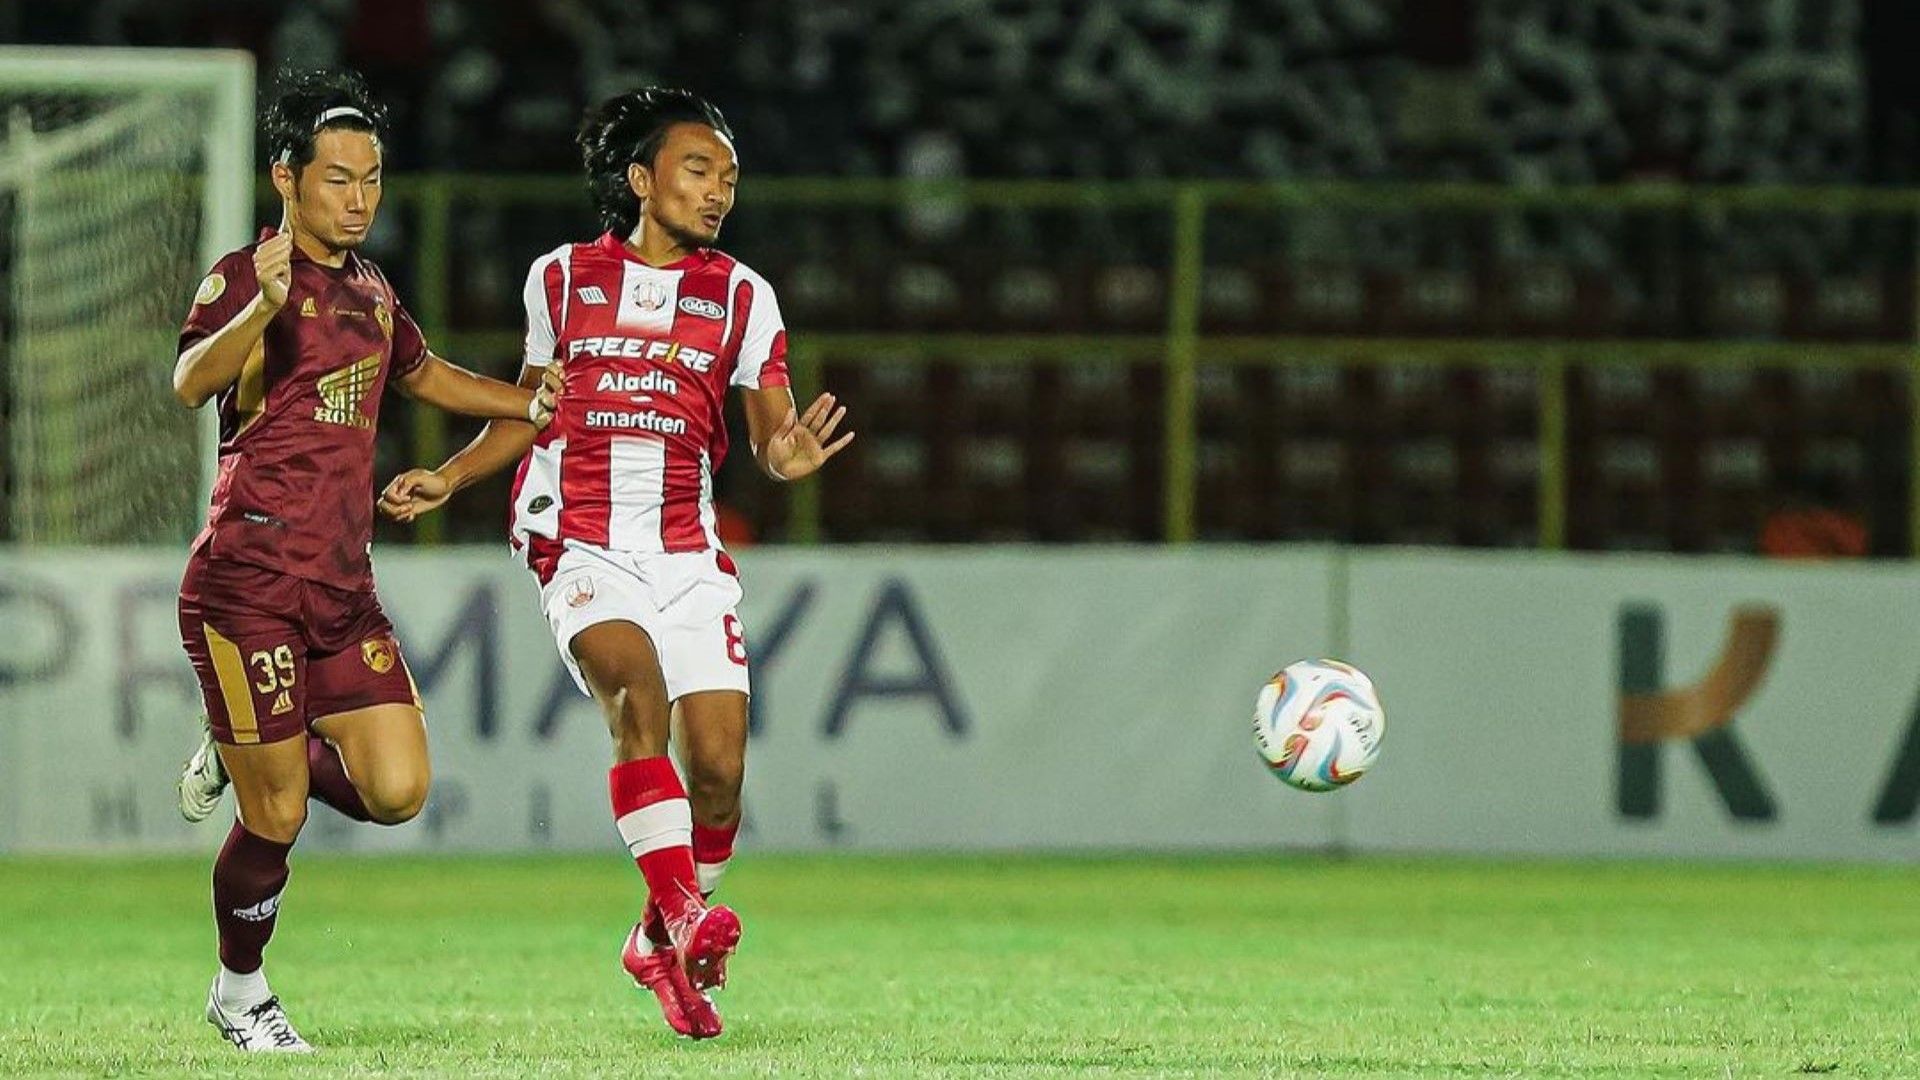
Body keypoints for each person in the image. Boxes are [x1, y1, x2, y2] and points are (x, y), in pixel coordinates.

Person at [378, 87, 852, 1040]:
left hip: (686, 546)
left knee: (718, 772)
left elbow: (771, 433)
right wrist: (452, 475)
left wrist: (786, 457)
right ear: (640, 178)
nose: (718, 191)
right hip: (578, 533)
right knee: (636, 694)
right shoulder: (559, 279)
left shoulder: (744, 296)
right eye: (697, 168)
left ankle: (654, 939)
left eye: (728, 176)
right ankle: (683, 914)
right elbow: (531, 405)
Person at [170, 68, 562, 1053]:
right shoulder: (249, 272)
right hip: (248, 588)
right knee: (281, 814)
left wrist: (530, 401)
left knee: (397, 791)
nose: (358, 198)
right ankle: (241, 993)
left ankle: (245, 738)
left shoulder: (374, 291)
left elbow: (426, 376)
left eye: (372, 178)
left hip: (343, 594)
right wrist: (258, 311)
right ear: (286, 179)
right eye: (338, 178)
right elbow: (189, 382)